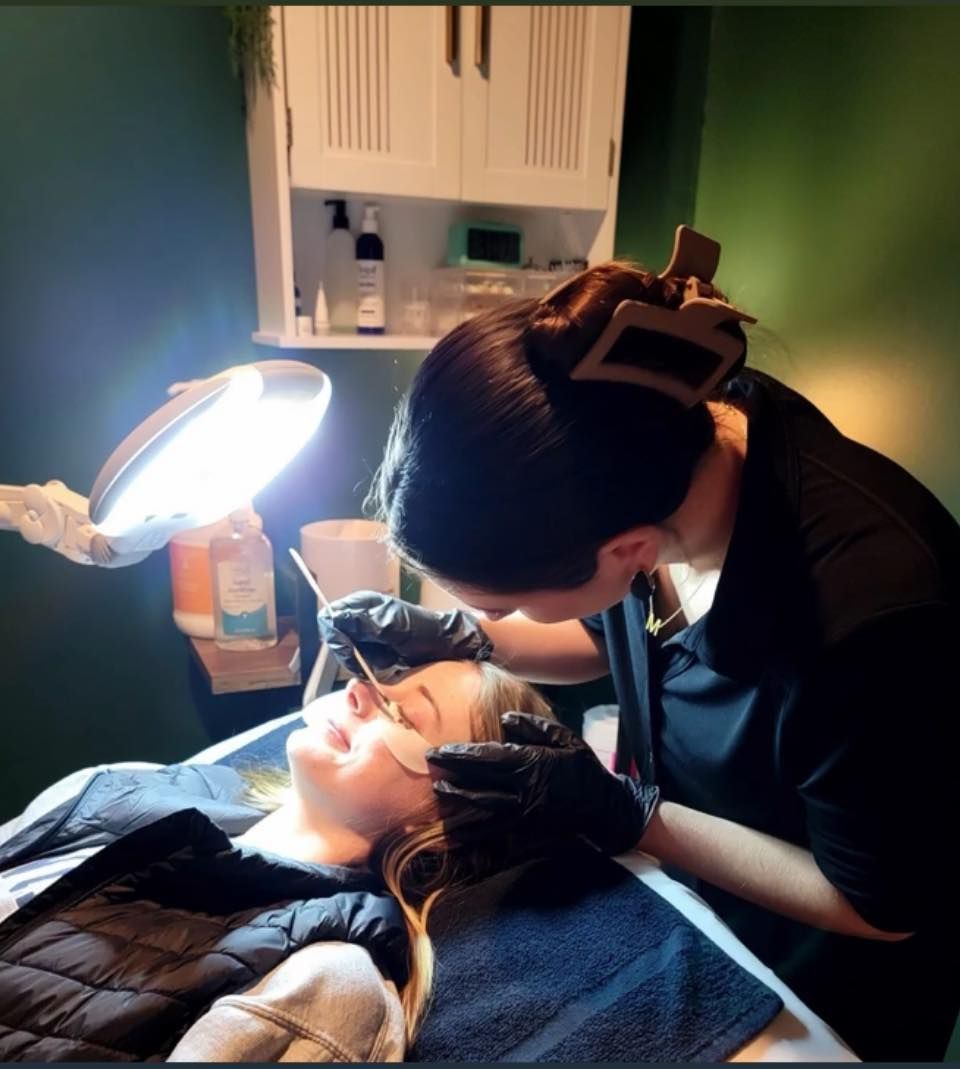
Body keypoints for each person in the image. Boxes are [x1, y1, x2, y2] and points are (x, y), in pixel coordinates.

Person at [318, 227, 960, 1061]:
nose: (506, 614)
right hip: (703, 921)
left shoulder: (868, 618)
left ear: (625, 551)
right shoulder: (651, 436)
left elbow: (880, 903)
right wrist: (468, 635)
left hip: (832, 987)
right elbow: (607, 631)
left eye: (510, 598)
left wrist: (633, 816)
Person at [0, 660, 553, 1061]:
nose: (360, 689)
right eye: (382, 678)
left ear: (446, 821)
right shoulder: (131, 784)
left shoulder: (323, 981)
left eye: (404, 716)